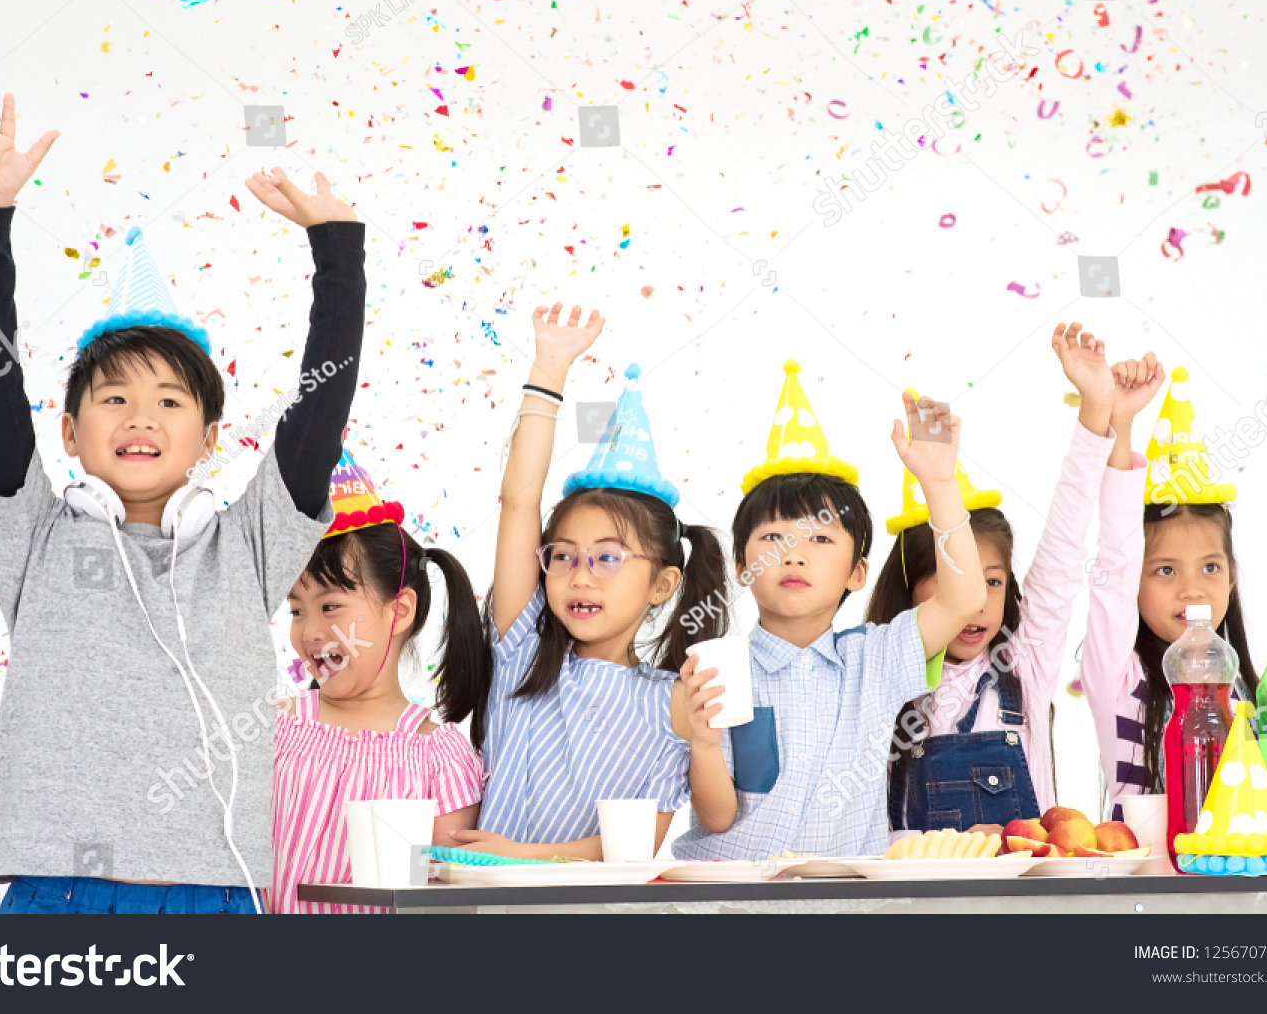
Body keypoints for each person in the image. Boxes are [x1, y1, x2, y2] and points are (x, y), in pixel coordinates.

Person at [0, 81, 365, 914]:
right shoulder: (31, 531)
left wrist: (337, 246)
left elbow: (320, 408)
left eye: (171, 401)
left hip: (211, 899)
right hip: (55, 895)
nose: (141, 417)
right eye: (113, 398)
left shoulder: (250, 545)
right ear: (68, 433)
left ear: (210, 436)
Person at [437, 305, 730, 859]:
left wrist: (515, 857)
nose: (580, 576)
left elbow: (638, 844)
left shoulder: (671, 702)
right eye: (564, 556)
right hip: (485, 901)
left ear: (663, 584)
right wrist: (548, 370)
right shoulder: (522, 649)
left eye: (608, 559)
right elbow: (520, 498)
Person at [670, 359, 986, 860]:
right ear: (740, 564)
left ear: (857, 573)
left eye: (819, 538)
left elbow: (965, 597)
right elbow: (717, 817)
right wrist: (703, 746)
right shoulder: (716, 670)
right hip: (728, 901)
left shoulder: (877, 658)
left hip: (842, 901)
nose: (793, 554)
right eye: (773, 538)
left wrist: (940, 485)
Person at [868, 324, 1145, 832]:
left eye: (991, 582)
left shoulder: (1024, 663)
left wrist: (1095, 410)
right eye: (957, 584)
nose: (975, 603)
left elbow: (1065, 544)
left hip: (1022, 905)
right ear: (909, 591)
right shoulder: (881, 679)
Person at [270, 448, 483, 913]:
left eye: (330, 607)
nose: (308, 632)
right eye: (296, 610)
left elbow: (451, 900)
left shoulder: (439, 758)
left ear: (399, 611)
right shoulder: (275, 730)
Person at [1080, 366, 1260, 817]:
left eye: (1210, 567)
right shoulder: (1119, 676)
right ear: (1132, 583)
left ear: (1233, 576)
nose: (1192, 589)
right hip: (1144, 887)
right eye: (1164, 570)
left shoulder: (1247, 693)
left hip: (1234, 886)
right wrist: (1120, 427)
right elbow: (1116, 555)